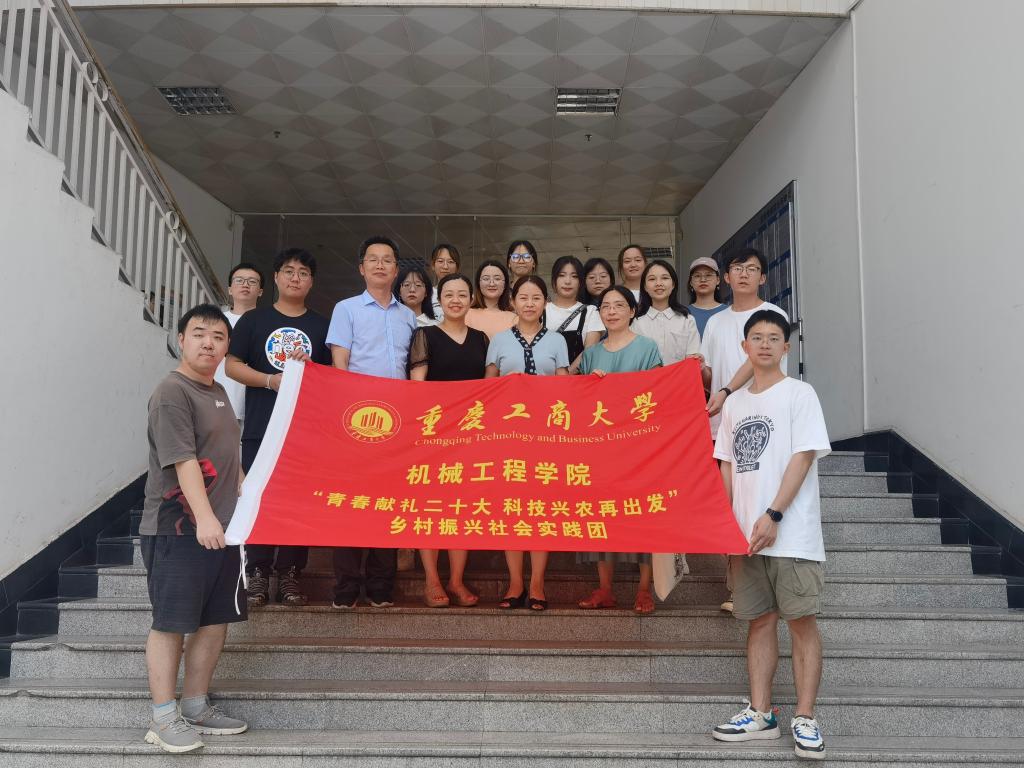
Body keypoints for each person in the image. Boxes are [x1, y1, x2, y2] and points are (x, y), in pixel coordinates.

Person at [711, 309, 830, 761]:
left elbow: (803, 457)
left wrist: (774, 513)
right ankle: (761, 713)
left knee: (800, 622)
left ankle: (805, 717)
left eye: (773, 337)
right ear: (744, 347)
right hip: (745, 537)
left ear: (786, 347)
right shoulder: (735, 404)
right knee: (759, 621)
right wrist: (726, 526)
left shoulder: (800, 393)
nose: (764, 344)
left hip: (791, 533)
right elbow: (727, 465)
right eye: (756, 337)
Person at [141, 304, 248, 754]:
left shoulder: (218, 391)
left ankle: (197, 706)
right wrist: (204, 517)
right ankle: (164, 717)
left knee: (214, 621)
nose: (209, 343)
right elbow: (183, 460)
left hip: (223, 529)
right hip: (180, 528)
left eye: (219, 337)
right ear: (181, 339)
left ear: (226, 347)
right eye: (200, 334)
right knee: (172, 623)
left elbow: (227, 456)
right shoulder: (172, 392)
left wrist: (244, 491)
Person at [226, 249, 331, 608]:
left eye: (303, 272)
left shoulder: (322, 326)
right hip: (260, 427)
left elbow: (332, 379)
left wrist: (310, 369)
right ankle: (257, 572)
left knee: (297, 502)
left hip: (304, 433)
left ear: (311, 282)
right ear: (275, 278)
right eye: (288, 271)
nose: (295, 278)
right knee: (258, 497)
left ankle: (290, 573)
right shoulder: (253, 321)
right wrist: (270, 380)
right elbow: (232, 365)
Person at [327, 235, 417, 609]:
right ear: (362, 268)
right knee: (351, 502)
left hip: (398, 423)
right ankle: (347, 586)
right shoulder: (346, 309)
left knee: (389, 502)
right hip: (358, 421)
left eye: (387, 260)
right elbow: (339, 364)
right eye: (373, 259)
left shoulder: (408, 316)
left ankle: (381, 585)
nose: (380, 265)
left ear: (396, 270)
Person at [576, 286, 663, 614]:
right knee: (600, 515)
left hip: (638, 447)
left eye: (619, 305)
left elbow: (656, 393)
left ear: (632, 311)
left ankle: (644, 589)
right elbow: (578, 403)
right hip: (600, 449)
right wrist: (589, 385)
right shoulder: (591, 354)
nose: (611, 312)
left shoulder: (647, 347)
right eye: (605, 307)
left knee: (642, 515)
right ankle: (605, 588)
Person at [485, 276, 568, 611]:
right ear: (513, 302)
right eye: (523, 297)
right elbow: (487, 389)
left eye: (536, 297)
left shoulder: (558, 341)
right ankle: (515, 582)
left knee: (541, 509)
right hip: (508, 439)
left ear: (545, 302)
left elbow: (565, 390)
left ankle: (537, 584)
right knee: (512, 509)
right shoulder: (499, 340)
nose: (530, 303)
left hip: (545, 438)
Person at [409, 273, 489, 608]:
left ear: (471, 299)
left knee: (462, 508)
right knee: (430, 507)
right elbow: (417, 387)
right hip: (434, 436)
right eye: (449, 295)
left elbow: (489, 389)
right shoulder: (424, 335)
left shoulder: (482, 339)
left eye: (462, 294)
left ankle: (456, 580)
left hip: (470, 436)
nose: (456, 300)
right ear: (439, 300)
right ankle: (432, 580)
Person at [213, 262, 263, 423]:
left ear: (260, 291)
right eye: (239, 280)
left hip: (255, 404)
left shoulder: (267, 323)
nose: (245, 285)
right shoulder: (216, 321)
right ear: (229, 289)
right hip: (219, 402)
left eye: (252, 281)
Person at [545, 255, 604, 373]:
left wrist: (565, 377)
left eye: (574, 276)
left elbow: (589, 351)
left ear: (581, 282)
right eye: (562, 275)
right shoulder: (542, 310)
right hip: (542, 379)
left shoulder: (590, 312)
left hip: (577, 380)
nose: (567, 281)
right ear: (554, 281)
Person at [466, 259, 517, 339]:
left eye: (497, 279)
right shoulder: (466, 314)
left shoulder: (514, 318)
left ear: (505, 284)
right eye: (486, 279)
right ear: (478, 283)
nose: (492, 283)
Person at [687, 256, 727, 338]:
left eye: (708, 275)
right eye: (697, 276)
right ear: (691, 282)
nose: (703, 280)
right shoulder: (683, 313)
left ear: (718, 280)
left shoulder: (729, 312)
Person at [429, 243, 461, 318]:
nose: (445, 266)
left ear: (457, 267)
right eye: (440, 261)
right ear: (433, 265)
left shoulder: (466, 294)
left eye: (450, 262)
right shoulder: (427, 294)